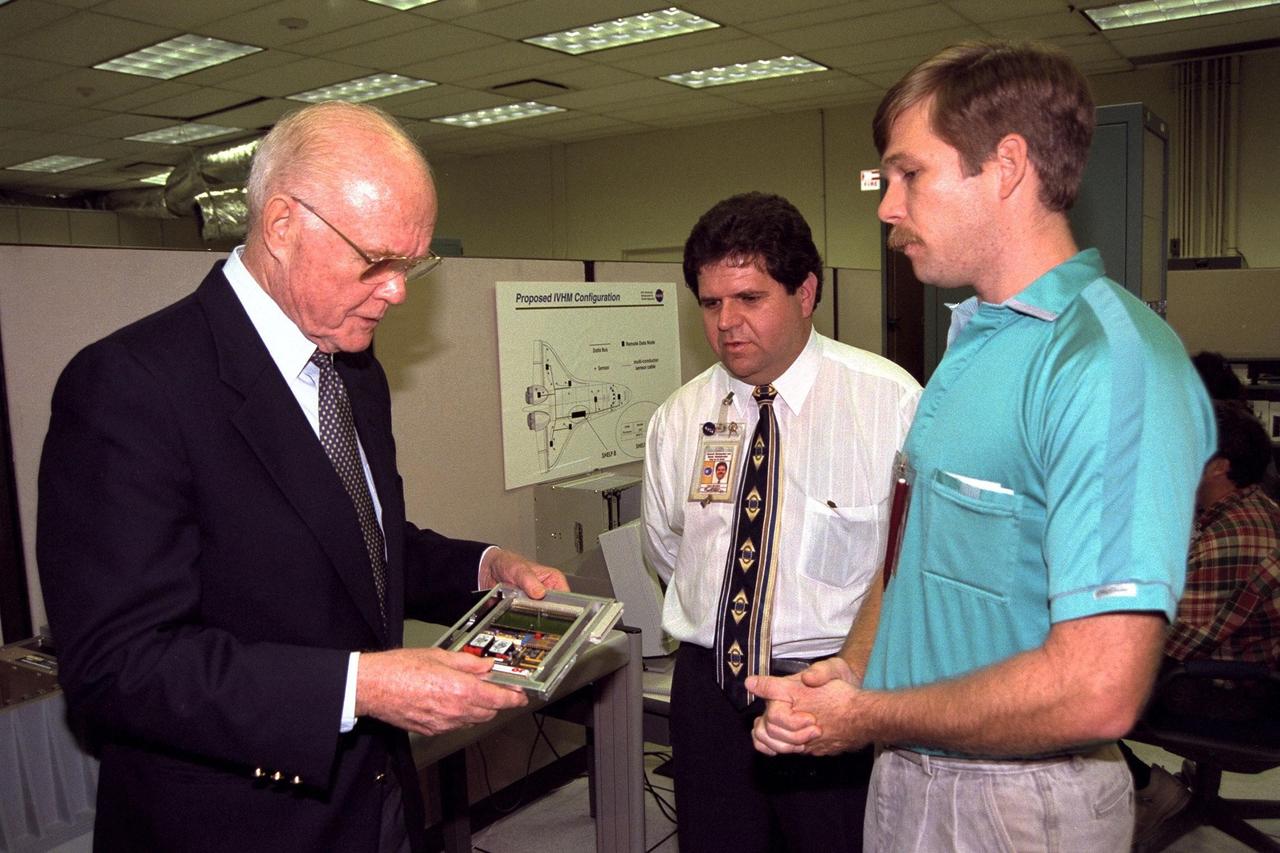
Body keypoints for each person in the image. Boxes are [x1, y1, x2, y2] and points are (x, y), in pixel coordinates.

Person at [37, 101, 566, 852]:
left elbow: (356, 547)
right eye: (376, 260)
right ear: (282, 225)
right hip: (233, 824)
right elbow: (119, 665)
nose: (398, 291)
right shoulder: (132, 386)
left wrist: (483, 568)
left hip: (374, 805)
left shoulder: (352, 367)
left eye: (412, 265)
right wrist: (363, 686)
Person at [747, 41, 1216, 851]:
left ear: (1006, 167)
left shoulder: (1108, 365)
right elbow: (912, 556)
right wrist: (858, 668)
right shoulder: (975, 344)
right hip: (910, 771)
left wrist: (868, 716)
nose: (887, 207)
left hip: (1023, 799)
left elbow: (1099, 690)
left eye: (910, 175)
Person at [641, 191, 921, 852]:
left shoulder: (890, 403)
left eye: (749, 298)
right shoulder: (679, 418)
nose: (727, 323)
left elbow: (910, 562)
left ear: (805, 292)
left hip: (831, 689)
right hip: (709, 693)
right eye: (711, 303)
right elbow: (668, 548)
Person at [1124, 400, 1280, 842]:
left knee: (1067, 683)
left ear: (1218, 467)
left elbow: (1167, 641)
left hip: (1232, 692)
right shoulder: (1244, 509)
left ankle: (1151, 790)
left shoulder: (1234, 538)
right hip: (1240, 670)